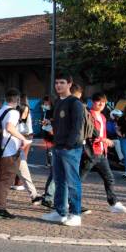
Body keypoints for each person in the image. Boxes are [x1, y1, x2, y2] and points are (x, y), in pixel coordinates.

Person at [41, 73, 85, 226]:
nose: (58, 85)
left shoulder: (75, 103)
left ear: (69, 84)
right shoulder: (58, 102)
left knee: (73, 182)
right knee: (59, 181)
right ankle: (60, 212)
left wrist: (68, 145)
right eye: (56, 83)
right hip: (58, 146)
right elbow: (59, 124)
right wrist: (50, 124)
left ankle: (76, 214)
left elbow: (77, 127)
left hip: (70, 149)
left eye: (62, 82)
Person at [82, 93, 126, 213]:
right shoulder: (88, 115)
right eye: (98, 101)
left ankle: (113, 203)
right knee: (78, 179)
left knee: (109, 178)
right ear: (92, 102)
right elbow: (87, 134)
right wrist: (102, 140)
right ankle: (69, 202)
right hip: (90, 152)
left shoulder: (103, 117)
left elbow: (103, 134)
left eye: (103, 102)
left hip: (101, 152)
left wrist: (104, 143)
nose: (101, 104)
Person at [0, 88, 32, 219]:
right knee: (6, 180)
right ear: (17, 100)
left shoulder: (0, 110)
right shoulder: (13, 112)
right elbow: (9, 127)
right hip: (9, 151)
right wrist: (24, 139)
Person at [12, 95, 41, 204]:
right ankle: (34, 196)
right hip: (12, 152)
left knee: (23, 173)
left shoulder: (22, 122)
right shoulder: (14, 122)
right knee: (4, 175)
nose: (26, 114)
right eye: (25, 112)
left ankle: (34, 196)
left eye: (27, 112)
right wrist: (23, 140)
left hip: (16, 151)